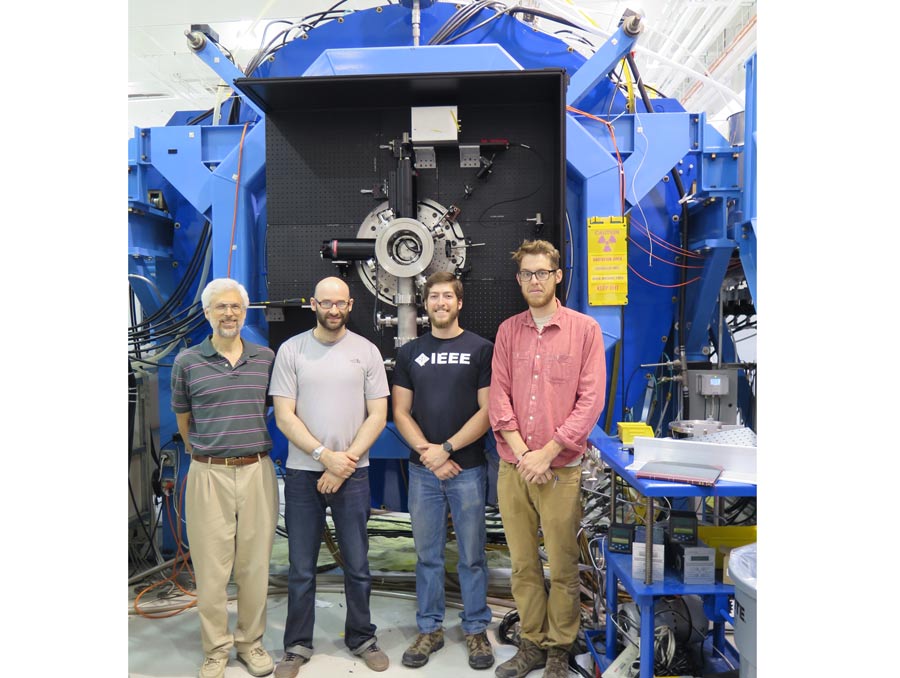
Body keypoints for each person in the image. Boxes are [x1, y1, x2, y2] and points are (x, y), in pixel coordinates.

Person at [488, 240, 607, 678]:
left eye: (542, 273)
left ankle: (560, 648)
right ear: (519, 280)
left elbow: (591, 400)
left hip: (562, 470)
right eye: (526, 274)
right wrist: (523, 454)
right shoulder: (508, 331)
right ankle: (532, 644)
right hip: (514, 466)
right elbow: (499, 396)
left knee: (561, 566)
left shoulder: (584, 330)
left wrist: (549, 452)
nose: (534, 281)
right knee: (521, 564)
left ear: (558, 275)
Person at [268, 276, 390, 677]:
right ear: (314, 304)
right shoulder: (292, 351)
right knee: (301, 566)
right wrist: (323, 456)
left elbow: (378, 415)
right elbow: (284, 415)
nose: (333, 309)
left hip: (353, 474)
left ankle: (362, 637)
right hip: (304, 475)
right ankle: (297, 645)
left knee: (357, 563)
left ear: (350, 304)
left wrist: (345, 461)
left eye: (340, 303)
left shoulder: (367, 352)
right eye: (326, 303)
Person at [170, 278, 279, 678]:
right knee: (212, 569)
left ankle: (251, 643)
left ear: (245, 312)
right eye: (221, 308)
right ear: (207, 313)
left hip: (256, 471)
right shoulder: (187, 362)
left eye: (235, 307)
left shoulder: (265, 358)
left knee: (255, 565)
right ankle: (216, 648)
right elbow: (183, 415)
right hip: (208, 474)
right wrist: (202, 451)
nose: (229, 314)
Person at [392, 272, 495, 670]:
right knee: (426, 555)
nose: (440, 303)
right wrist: (429, 453)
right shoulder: (410, 352)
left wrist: (448, 449)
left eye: (447, 296)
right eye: (433, 297)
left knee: (472, 556)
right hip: (423, 473)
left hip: (467, 469)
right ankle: (430, 628)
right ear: (425, 304)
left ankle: (474, 630)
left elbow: (487, 412)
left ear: (459, 302)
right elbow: (400, 411)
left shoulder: (480, 349)